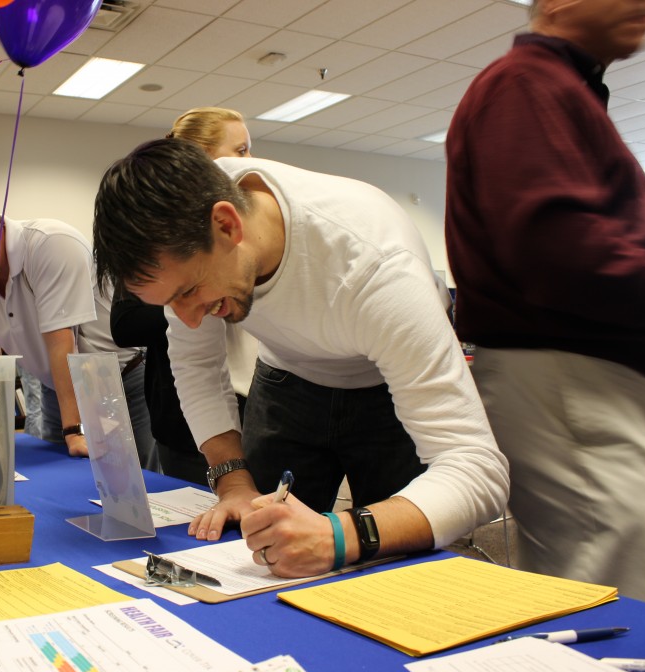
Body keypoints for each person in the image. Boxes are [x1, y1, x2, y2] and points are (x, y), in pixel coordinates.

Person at [92, 138, 509, 578]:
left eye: (188, 293)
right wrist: (232, 480)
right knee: (258, 551)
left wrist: (342, 536)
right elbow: (195, 364)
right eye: (169, 303)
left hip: (387, 393)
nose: (189, 321)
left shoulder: (375, 267)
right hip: (286, 379)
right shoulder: (193, 217)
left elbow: (478, 470)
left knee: (396, 565)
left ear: (228, 226)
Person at [445, 0, 645, 605]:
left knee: (608, 578)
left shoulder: (558, 88)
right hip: (569, 380)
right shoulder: (524, 84)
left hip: (585, 380)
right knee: (625, 588)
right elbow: (559, 253)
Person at [0, 190, 155, 466]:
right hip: (56, 388)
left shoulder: (50, 244)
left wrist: (73, 430)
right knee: (62, 483)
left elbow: (61, 342)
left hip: (119, 384)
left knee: (137, 487)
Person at [111, 107, 261, 484]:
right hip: (180, 412)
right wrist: (190, 296)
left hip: (254, 402)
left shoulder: (250, 230)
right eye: (240, 150)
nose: (250, 162)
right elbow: (126, 325)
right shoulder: (155, 234)